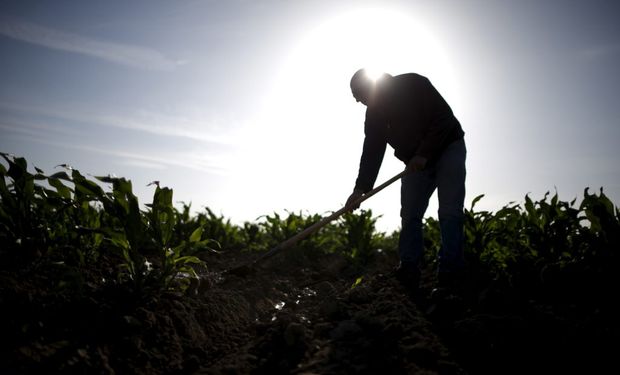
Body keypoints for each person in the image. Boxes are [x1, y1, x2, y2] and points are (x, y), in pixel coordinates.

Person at [345, 68, 467, 292]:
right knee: (410, 214)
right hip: (415, 162)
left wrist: (424, 152)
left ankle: (451, 272)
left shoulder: (413, 84)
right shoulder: (373, 114)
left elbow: (442, 118)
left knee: (449, 210)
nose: (360, 102)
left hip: (448, 146)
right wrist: (360, 188)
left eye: (360, 96)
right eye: (357, 99)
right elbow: (372, 149)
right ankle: (409, 268)